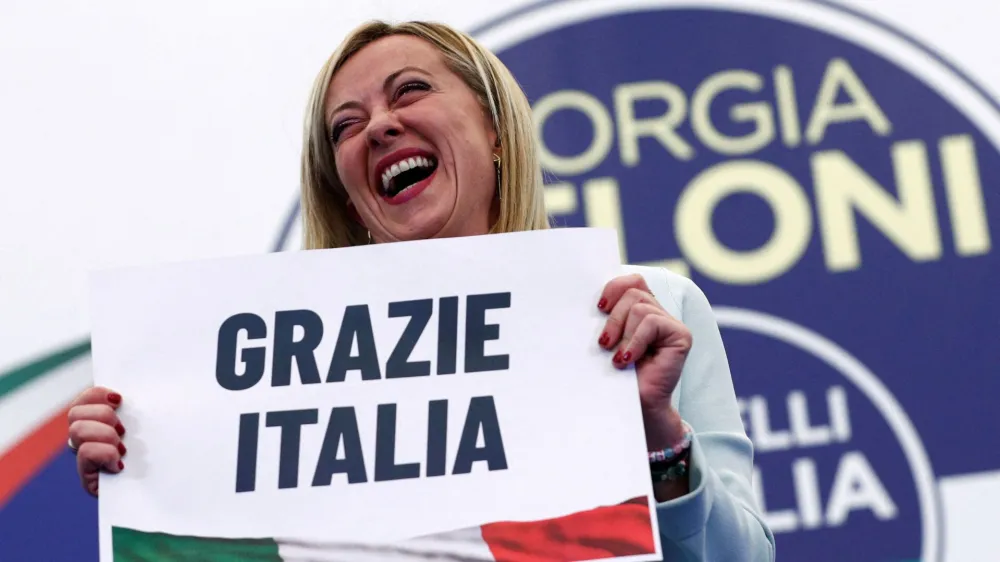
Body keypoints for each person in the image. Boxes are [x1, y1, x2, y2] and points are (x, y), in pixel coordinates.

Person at [67, 20, 776, 561]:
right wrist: (152, 477)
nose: (378, 126)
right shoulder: (266, 376)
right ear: (346, 195)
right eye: (346, 126)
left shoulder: (645, 311)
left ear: (495, 129)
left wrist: (657, 433)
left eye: (410, 90)